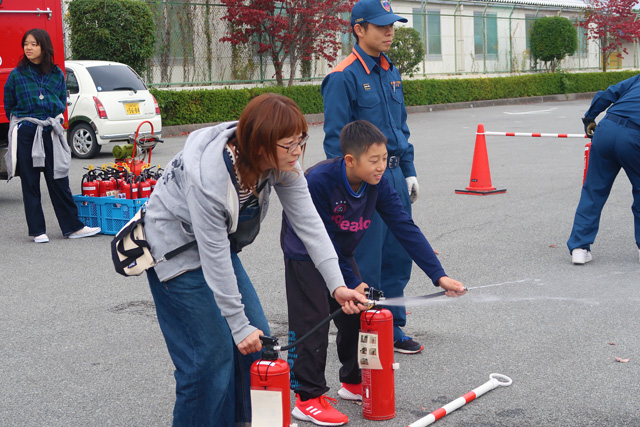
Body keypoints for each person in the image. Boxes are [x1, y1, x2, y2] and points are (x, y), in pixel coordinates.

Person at [143, 93, 368, 427]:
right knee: (209, 359)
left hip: (217, 246)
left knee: (257, 343)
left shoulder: (283, 163)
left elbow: (310, 225)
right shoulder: (210, 179)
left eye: (301, 141)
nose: (298, 152)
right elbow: (214, 255)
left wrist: (337, 285)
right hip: (174, 250)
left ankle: (244, 421)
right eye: (290, 144)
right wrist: (236, 323)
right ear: (261, 146)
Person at [281, 120, 466, 426]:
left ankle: (352, 382)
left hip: (342, 255)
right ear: (350, 160)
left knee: (356, 314)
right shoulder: (319, 181)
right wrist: (351, 282)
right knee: (311, 323)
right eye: (374, 160)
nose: (382, 167)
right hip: (306, 256)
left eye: (384, 159)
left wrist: (439, 275)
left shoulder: (377, 185)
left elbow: (404, 227)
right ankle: (307, 397)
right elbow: (321, 241)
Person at [321, 0, 424, 353]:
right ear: (359, 29)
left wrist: (408, 171)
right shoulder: (343, 76)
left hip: (393, 173)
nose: (389, 31)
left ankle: (392, 328)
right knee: (366, 261)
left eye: (392, 25)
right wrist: (350, 191)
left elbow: (401, 127)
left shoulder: (390, 70)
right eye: (381, 26)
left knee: (398, 255)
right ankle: (367, 333)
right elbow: (337, 143)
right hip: (363, 182)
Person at [3, 28, 100, 242]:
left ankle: (72, 227)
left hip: (51, 131)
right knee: (30, 182)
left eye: (33, 44)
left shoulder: (56, 73)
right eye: (26, 44)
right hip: (28, 132)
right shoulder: (17, 74)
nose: (28, 48)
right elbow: (9, 103)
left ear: (43, 47)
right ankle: (38, 231)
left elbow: (60, 101)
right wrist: (26, 121)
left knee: (59, 180)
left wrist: (51, 117)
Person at [568, 75, 640, 265]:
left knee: (594, 189)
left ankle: (579, 248)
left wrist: (590, 118)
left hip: (606, 129)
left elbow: (607, 94)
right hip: (635, 136)